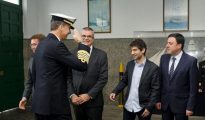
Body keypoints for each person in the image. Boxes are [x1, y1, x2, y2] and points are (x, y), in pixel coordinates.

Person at [31, 13, 90, 120]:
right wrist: (82, 42)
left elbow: (34, 74)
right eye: (68, 28)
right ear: (61, 26)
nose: (69, 32)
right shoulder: (57, 45)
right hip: (54, 107)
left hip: (40, 104)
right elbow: (82, 65)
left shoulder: (42, 44)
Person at [109, 38, 160, 120]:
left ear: (143, 50)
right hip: (128, 105)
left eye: (135, 50)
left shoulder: (153, 68)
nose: (132, 53)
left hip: (144, 107)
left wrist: (149, 107)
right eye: (131, 50)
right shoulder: (130, 65)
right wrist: (115, 91)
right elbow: (124, 81)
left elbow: (155, 90)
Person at [156, 33, 199, 120]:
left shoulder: (191, 61)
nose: (167, 45)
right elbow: (160, 81)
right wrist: (158, 99)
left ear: (179, 45)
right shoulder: (163, 58)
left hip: (182, 105)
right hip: (165, 104)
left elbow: (193, 87)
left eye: (170, 43)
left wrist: (190, 106)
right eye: (167, 43)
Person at [68, 27, 108, 120]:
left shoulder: (101, 55)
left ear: (93, 38)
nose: (86, 38)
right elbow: (68, 77)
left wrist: (89, 95)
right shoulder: (72, 53)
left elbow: (103, 78)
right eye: (84, 36)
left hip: (94, 102)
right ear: (80, 37)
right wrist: (72, 95)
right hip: (77, 101)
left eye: (89, 36)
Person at [19, 33, 45, 110]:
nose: (32, 47)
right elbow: (29, 82)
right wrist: (25, 97)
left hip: (50, 101)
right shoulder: (32, 59)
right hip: (36, 101)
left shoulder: (51, 60)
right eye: (31, 45)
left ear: (43, 45)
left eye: (35, 44)